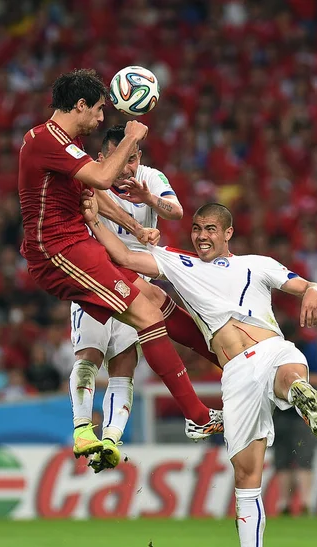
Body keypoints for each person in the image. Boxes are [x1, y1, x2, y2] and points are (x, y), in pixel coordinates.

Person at [81, 198, 317, 547]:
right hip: (245, 369)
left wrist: (314, 290)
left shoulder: (257, 263)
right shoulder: (184, 265)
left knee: (281, 377)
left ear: (228, 233)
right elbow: (125, 255)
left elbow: (305, 285)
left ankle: (302, 394)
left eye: (210, 229)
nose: (201, 236)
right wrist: (94, 221)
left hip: (258, 357)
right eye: (197, 229)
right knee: (246, 479)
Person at [18, 68, 223, 463]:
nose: (100, 119)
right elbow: (101, 175)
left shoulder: (66, 142)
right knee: (141, 319)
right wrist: (129, 137)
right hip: (58, 251)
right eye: (96, 111)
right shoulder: (46, 140)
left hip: (80, 246)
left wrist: (133, 225)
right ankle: (196, 416)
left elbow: (94, 189)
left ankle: (225, 363)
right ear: (79, 105)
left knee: (152, 298)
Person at [69, 123, 183, 471]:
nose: (129, 167)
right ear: (105, 157)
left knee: (124, 363)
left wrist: (148, 198)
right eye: (123, 159)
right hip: (95, 276)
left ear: (140, 158)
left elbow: (175, 212)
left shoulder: (152, 178)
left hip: (137, 284)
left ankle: (111, 439)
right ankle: (82, 428)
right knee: (89, 355)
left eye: (134, 159)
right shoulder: (90, 176)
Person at [273, 320, 317, 516]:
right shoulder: (281, 351)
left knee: (303, 457)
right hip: (281, 413)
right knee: (283, 458)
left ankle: (305, 502)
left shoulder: (306, 349)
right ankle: (285, 503)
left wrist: (291, 381)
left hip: (305, 414)